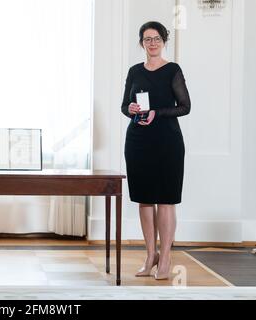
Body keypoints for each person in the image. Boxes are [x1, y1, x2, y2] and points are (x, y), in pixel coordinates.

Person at [121, 21, 191, 280]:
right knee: (144, 199)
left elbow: (185, 106)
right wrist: (131, 109)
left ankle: (166, 256)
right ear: (141, 43)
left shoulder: (173, 69)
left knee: (166, 199)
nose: (152, 43)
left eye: (157, 38)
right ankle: (150, 255)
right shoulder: (134, 71)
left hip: (167, 142)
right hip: (138, 141)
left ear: (163, 41)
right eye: (147, 39)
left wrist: (156, 113)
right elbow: (124, 105)